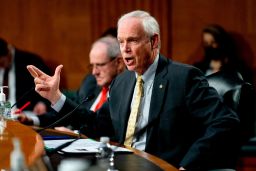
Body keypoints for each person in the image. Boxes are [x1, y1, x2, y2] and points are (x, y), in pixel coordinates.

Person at [21, 11, 239, 170]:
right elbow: (98, 125)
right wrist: (55, 97)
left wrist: (186, 166)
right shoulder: (122, 82)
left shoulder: (183, 78)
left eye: (132, 41)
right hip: (121, 164)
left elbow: (224, 121)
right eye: (121, 41)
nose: (124, 49)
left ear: (154, 42)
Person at [19, 36, 125, 131]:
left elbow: (103, 127)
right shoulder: (91, 83)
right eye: (92, 66)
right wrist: (32, 120)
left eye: (100, 65)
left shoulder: (125, 92)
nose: (94, 72)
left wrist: (76, 134)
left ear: (119, 63)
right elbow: (70, 113)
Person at [0, 37, 51, 113]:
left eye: (2, 63)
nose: (1, 67)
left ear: (9, 51)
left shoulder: (32, 61)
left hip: (23, 114)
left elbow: (48, 87)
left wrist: (43, 104)